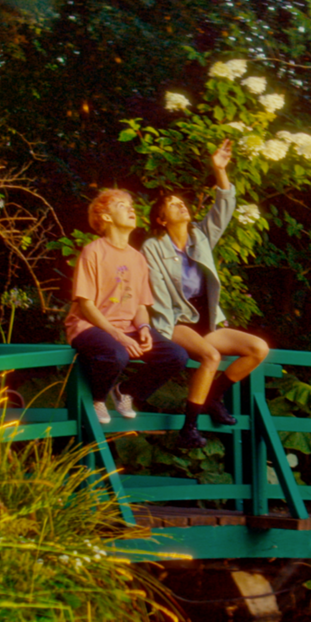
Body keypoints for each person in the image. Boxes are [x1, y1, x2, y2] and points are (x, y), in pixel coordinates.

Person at [141, 139, 270, 449]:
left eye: (181, 202)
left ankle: (213, 396)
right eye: (172, 205)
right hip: (175, 321)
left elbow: (223, 208)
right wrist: (165, 331)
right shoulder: (152, 247)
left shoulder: (199, 237)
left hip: (205, 321)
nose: (181, 205)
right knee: (211, 356)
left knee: (258, 348)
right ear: (161, 219)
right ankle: (189, 428)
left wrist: (219, 170)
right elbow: (159, 297)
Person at [64, 189, 197, 445]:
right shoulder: (93, 252)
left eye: (131, 205)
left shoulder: (137, 258)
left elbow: (140, 305)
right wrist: (116, 334)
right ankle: (98, 399)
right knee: (117, 354)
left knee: (176, 355)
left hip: (127, 327)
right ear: (106, 217)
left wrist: (144, 327)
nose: (131, 209)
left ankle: (126, 391)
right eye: (122, 206)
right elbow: (86, 304)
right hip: (88, 326)